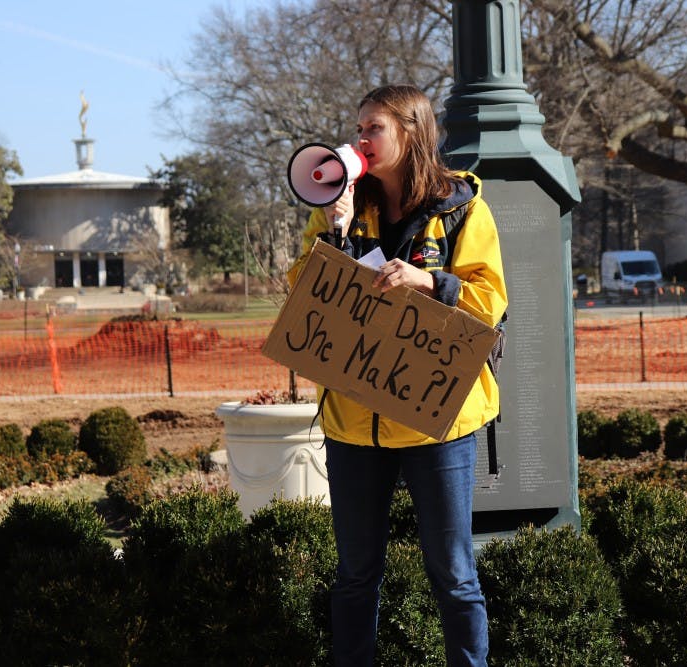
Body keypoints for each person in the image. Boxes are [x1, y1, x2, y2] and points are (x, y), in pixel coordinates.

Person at [287, 84, 507, 667]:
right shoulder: (341, 205)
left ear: (412, 132)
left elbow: (490, 302)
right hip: (355, 423)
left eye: (373, 128)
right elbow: (301, 295)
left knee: (454, 574)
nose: (360, 138)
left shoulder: (463, 209)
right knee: (356, 575)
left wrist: (430, 282)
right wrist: (333, 233)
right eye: (357, 127)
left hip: (439, 421)